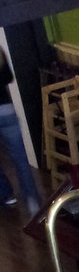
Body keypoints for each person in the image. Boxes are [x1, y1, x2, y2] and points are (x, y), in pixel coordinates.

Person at [0, 49, 41, 220]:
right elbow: (8, 78)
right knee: (20, 158)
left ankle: (6, 194)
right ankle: (32, 200)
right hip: (5, 110)